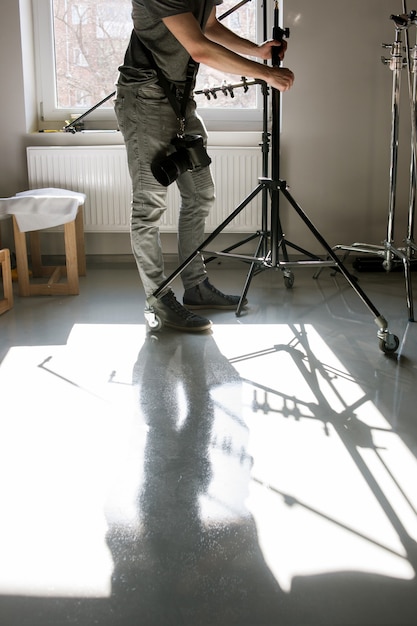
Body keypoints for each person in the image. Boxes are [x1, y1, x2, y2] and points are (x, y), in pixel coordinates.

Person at [115, 0, 294, 332]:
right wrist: (266, 73)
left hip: (180, 99)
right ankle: (158, 299)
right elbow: (199, 48)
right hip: (144, 99)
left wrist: (257, 50)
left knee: (201, 194)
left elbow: (208, 26)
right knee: (149, 206)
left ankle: (195, 287)